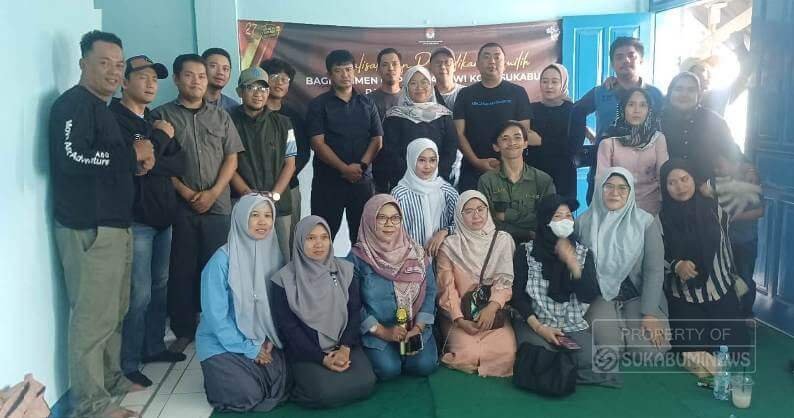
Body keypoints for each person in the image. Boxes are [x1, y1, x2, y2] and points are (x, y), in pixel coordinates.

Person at [50, 30, 152, 418]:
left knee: (115, 311)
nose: (113, 71)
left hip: (114, 225)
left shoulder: (101, 109)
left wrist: (134, 163)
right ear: (83, 64)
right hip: (89, 228)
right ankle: (91, 405)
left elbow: (105, 162)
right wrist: (130, 156)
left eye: (119, 64)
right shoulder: (73, 104)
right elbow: (72, 157)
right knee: (92, 318)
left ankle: (110, 379)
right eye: (104, 62)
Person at [153, 54, 244, 351]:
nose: (196, 81)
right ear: (177, 79)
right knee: (182, 270)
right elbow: (157, 162)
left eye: (201, 76)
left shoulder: (221, 116)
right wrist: (186, 192)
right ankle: (184, 329)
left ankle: (218, 326)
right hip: (179, 207)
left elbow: (231, 158)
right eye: (189, 75)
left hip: (218, 206)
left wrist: (214, 192)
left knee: (217, 269)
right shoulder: (161, 116)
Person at [110, 55, 187, 388]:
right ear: (124, 82)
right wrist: (157, 144)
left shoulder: (156, 120)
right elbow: (129, 165)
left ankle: (153, 347)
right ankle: (128, 363)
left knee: (159, 287)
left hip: (163, 217)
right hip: (136, 219)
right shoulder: (114, 119)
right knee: (137, 294)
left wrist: (152, 155)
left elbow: (179, 163)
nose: (151, 83)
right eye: (142, 77)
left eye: (154, 78)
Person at [511, 194, 620, 387]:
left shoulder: (583, 253)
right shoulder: (525, 252)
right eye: (557, 216)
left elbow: (589, 295)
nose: (565, 221)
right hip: (534, 323)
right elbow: (518, 297)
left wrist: (573, 265)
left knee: (591, 361)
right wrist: (540, 328)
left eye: (568, 216)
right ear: (545, 221)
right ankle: (559, 370)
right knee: (539, 356)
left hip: (570, 324)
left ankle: (560, 372)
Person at [196, 194, 289, 413]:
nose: (262, 222)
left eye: (268, 215)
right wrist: (249, 348)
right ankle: (217, 380)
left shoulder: (274, 256)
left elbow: (274, 307)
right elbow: (216, 319)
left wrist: (269, 337)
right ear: (240, 218)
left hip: (259, 338)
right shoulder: (221, 261)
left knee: (282, 383)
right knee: (248, 394)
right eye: (254, 215)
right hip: (220, 342)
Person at [271, 216, 376, 408]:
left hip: (343, 345)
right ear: (299, 241)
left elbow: (354, 312)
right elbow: (289, 328)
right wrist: (322, 358)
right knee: (324, 393)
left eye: (324, 237)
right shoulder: (283, 280)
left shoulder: (345, 270)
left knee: (366, 384)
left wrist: (345, 348)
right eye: (310, 238)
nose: (318, 244)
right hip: (307, 350)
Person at [659, 159, 750, 356]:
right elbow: (656, 255)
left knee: (736, 351)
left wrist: (712, 188)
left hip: (720, 289)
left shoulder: (716, 208)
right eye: (671, 183)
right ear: (664, 188)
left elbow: (744, 191)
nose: (680, 187)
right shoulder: (660, 218)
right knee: (692, 352)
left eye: (685, 179)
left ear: (695, 179)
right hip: (684, 295)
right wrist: (676, 265)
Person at [577, 167, 671, 357]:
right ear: (600, 188)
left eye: (622, 188)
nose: (615, 193)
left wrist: (649, 314)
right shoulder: (583, 223)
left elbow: (654, 271)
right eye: (609, 186)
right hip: (599, 296)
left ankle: (629, 324)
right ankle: (615, 326)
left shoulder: (645, 222)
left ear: (630, 192)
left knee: (651, 351)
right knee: (609, 348)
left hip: (637, 295)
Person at [349, 194, 439, 380]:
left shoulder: (416, 252)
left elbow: (430, 291)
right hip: (378, 330)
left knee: (423, 365)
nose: (389, 224)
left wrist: (418, 328)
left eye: (395, 218)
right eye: (381, 218)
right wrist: (383, 332)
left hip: (414, 327)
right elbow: (353, 304)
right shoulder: (358, 257)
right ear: (369, 220)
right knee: (388, 369)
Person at [569, 37, 665, 204]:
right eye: (619, 57)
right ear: (613, 64)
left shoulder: (654, 94)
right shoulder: (600, 92)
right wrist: (581, 142)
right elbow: (576, 112)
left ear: (641, 60)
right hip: (605, 173)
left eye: (631, 55)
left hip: (645, 181)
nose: (625, 60)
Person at [436, 191, 517, 377]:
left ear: (488, 210)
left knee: (507, 353)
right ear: (459, 215)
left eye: (481, 209)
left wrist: (492, 308)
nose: (476, 215)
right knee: (468, 353)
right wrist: (459, 320)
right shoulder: (449, 246)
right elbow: (447, 287)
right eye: (469, 211)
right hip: (459, 313)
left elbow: (504, 280)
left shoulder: (502, 240)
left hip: (493, 311)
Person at [306, 49, 383, 243]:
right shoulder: (318, 105)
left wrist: (361, 166)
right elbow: (317, 143)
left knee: (363, 239)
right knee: (322, 236)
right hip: (328, 183)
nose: (345, 75)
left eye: (348, 69)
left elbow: (377, 140)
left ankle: (359, 266)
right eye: (338, 70)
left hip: (362, 182)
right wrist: (344, 168)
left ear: (354, 71)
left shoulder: (367, 103)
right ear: (329, 75)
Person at [228, 67, 296, 260]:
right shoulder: (227, 121)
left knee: (282, 259)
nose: (258, 93)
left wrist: (274, 196)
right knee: (244, 258)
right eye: (251, 88)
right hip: (241, 202)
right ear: (240, 91)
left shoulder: (284, 123)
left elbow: (290, 164)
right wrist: (247, 194)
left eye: (263, 88)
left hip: (278, 205)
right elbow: (227, 164)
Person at [454, 43, 539, 192]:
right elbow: (458, 133)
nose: (492, 61)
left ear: (505, 65)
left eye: (497, 57)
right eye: (486, 57)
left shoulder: (518, 92)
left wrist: (507, 164)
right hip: (473, 170)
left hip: (511, 171)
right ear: (477, 64)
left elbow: (523, 133)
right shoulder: (465, 94)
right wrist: (476, 162)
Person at [375, 65, 458, 191]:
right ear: (406, 87)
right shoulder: (394, 116)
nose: (419, 87)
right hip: (404, 183)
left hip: (437, 183)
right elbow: (390, 153)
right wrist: (413, 177)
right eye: (413, 83)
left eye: (424, 82)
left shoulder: (443, 115)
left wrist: (434, 175)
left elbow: (450, 150)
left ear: (431, 86)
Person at [478, 121, 556, 244]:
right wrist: (526, 233)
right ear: (496, 146)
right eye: (505, 138)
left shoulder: (543, 180)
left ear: (525, 143)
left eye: (517, 137)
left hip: (536, 246)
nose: (512, 143)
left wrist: (507, 215)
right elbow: (487, 222)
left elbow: (548, 219)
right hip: (497, 245)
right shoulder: (487, 181)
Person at [596, 88, 669, 215]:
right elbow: (601, 182)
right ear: (623, 108)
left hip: (651, 210)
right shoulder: (609, 142)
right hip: (617, 210)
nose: (637, 110)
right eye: (631, 104)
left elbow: (663, 176)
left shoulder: (658, 139)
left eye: (643, 105)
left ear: (649, 110)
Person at [260, 58, 311, 239]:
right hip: (256, 188)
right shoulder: (251, 113)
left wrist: (283, 180)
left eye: (285, 79)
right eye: (274, 77)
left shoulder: (294, 116)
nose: (280, 82)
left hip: (289, 187)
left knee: (289, 241)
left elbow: (303, 153)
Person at [660, 72, 739, 184]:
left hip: (707, 188)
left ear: (699, 95)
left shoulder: (714, 121)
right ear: (669, 93)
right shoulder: (657, 121)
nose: (684, 94)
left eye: (691, 90)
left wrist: (748, 169)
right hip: (666, 188)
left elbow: (733, 152)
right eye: (678, 89)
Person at [714, 149, 763, 318]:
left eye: (720, 166)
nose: (716, 171)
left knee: (745, 276)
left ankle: (747, 313)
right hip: (725, 240)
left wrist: (733, 217)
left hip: (745, 241)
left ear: (735, 164)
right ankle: (731, 312)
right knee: (727, 276)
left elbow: (759, 211)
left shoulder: (750, 181)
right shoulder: (720, 182)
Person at [391, 138, 459, 256]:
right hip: (409, 260)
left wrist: (444, 232)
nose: (427, 166)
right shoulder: (399, 194)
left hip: (442, 259)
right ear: (411, 160)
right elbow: (392, 231)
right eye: (421, 160)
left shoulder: (448, 192)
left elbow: (461, 223)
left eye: (432, 160)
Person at [526, 63, 579, 200]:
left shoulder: (574, 111)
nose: (549, 86)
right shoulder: (530, 109)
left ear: (563, 83)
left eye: (554, 82)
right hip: (534, 175)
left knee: (561, 213)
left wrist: (541, 141)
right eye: (545, 81)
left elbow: (573, 147)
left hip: (563, 176)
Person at [429, 46, 466, 188]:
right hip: (436, 162)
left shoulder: (467, 93)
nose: (443, 66)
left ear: (454, 66)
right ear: (431, 68)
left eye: (447, 62)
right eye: (438, 63)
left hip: (466, 160)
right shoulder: (425, 96)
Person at [367, 48, 402, 120]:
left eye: (394, 64)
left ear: (401, 69)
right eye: (385, 65)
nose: (390, 68)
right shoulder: (368, 101)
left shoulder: (411, 99)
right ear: (378, 71)